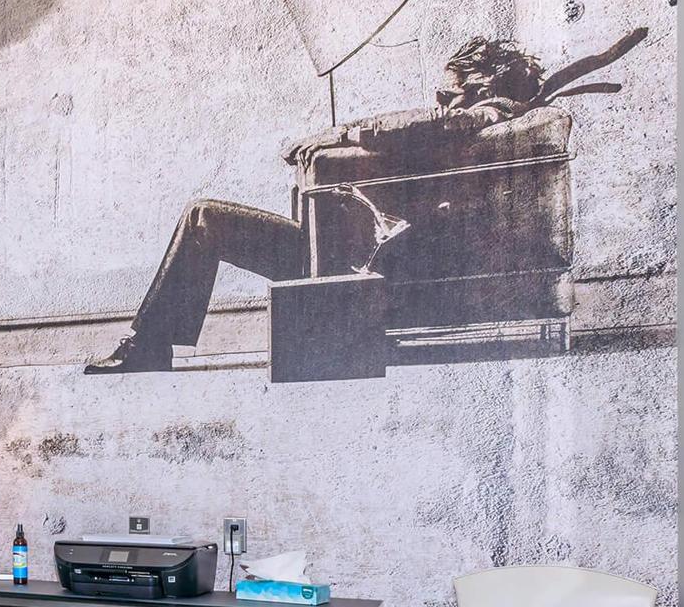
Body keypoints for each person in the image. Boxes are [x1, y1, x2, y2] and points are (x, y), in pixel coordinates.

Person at [86, 37, 550, 374]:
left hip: (350, 265)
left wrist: (339, 135)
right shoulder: (487, 117)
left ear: (483, 83)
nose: (439, 102)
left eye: (447, 93)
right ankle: (149, 343)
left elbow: (422, 127)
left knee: (203, 216)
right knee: (203, 215)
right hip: (345, 251)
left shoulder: (488, 114)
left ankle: (148, 345)